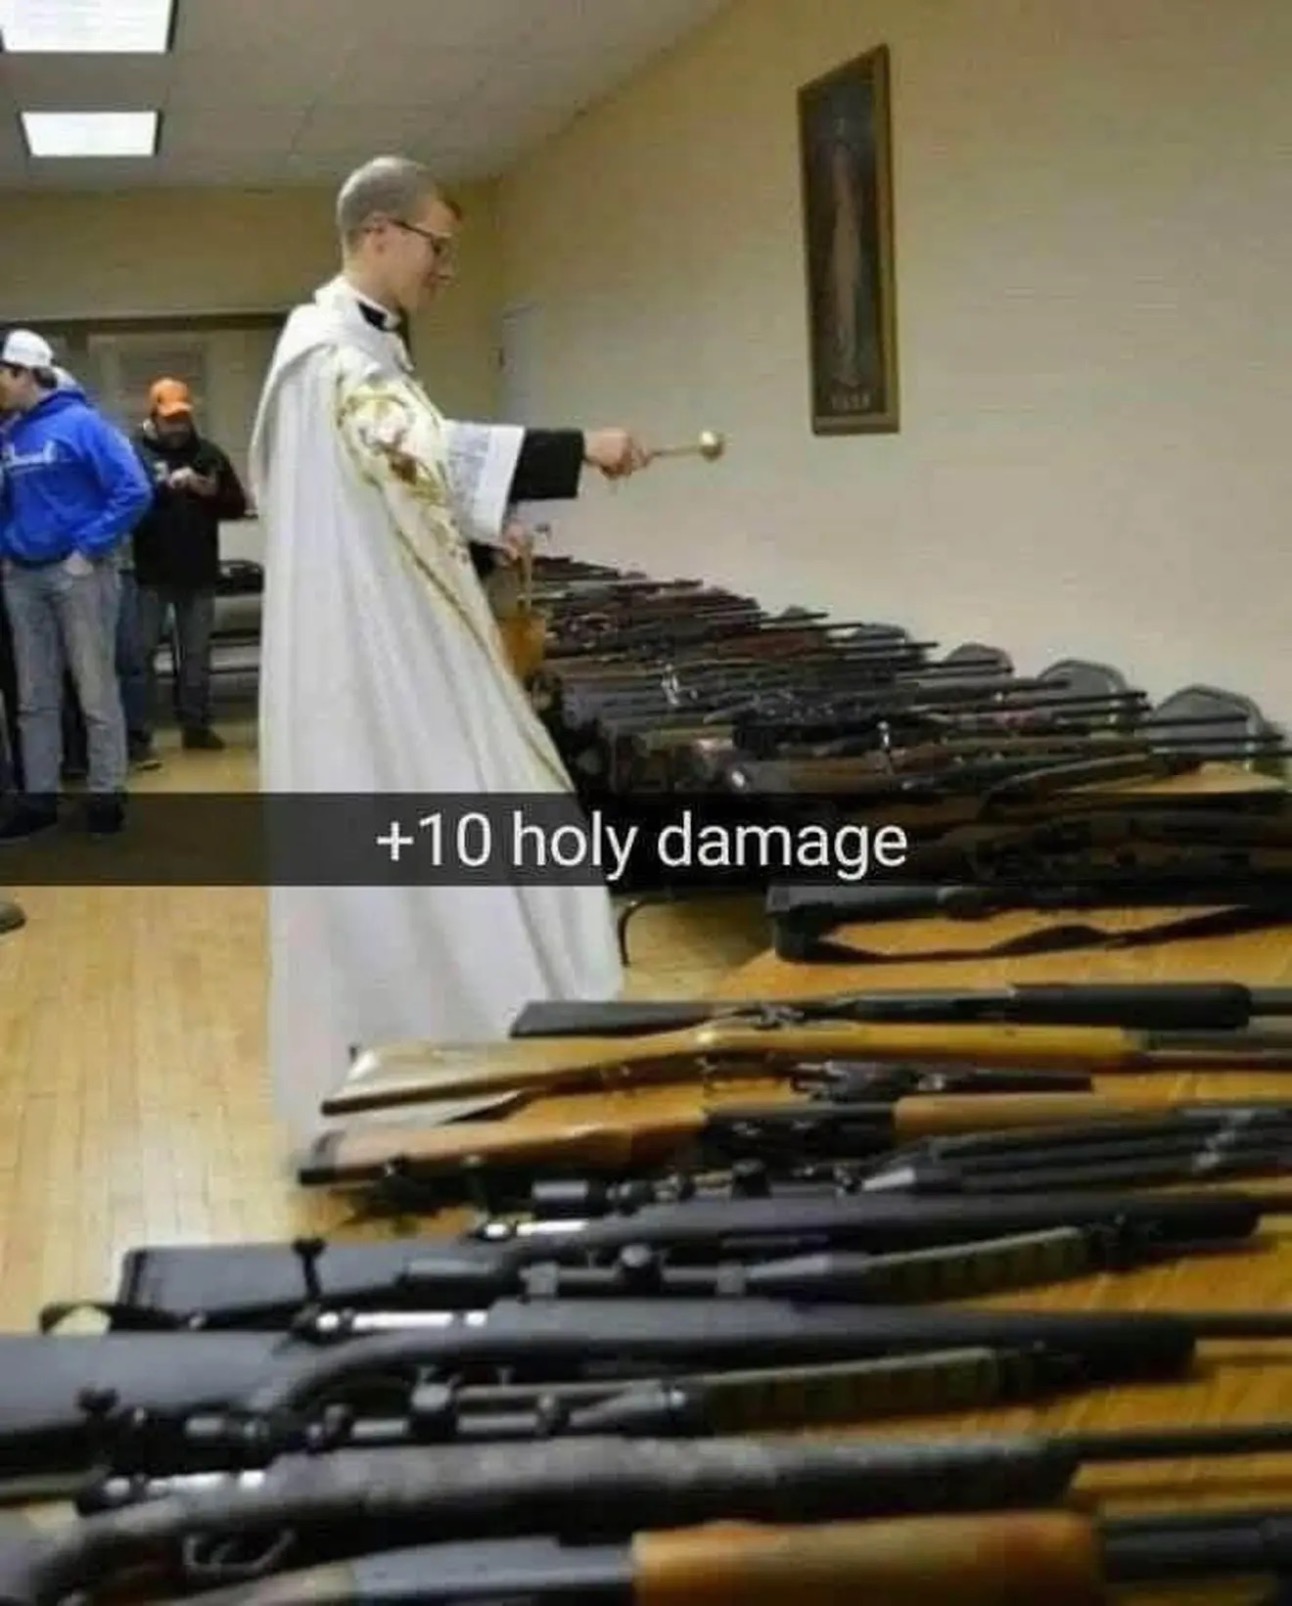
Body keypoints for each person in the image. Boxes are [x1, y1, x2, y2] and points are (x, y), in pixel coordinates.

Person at [248, 154, 652, 1146]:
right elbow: (414, 452)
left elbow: (389, 494)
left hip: (395, 630)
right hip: (376, 664)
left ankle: (509, 1027)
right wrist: (579, 447)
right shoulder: (330, 357)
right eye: (438, 246)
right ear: (379, 233)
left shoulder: (361, 349)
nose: (446, 268)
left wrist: (475, 530)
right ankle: (443, 1050)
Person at [0, 330, 152, 838]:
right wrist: (6, 551)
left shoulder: (83, 424)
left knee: (94, 689)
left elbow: (133, 490)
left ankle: (107, 794)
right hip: (23, 577)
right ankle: (39, 798)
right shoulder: (10, 435)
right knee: (34, 696)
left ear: (24, 372)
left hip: (79, 574)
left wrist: (88, 549)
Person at [129, 378, 249, 754]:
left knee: (197, 654)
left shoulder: (208, 454)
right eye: (170, 420)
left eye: (182, 418)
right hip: (149, 574)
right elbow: (127, 508)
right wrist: (164, 490)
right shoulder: (133, 455)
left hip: (198, 572)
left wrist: (210, 493)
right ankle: (139, 734)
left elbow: (237, 505)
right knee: (141, 655)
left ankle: (196, 726)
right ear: (154, 417)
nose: (178, 427)